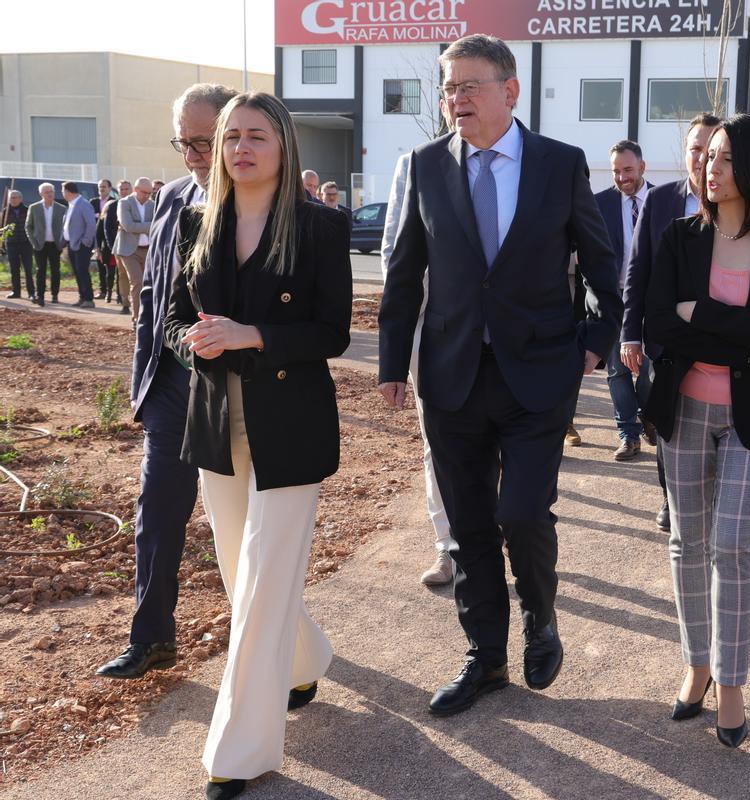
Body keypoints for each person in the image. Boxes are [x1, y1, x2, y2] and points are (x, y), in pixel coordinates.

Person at [377, 33, 620, 716]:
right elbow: (403, 272)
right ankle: (485, 657)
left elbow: (602, 267)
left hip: (539, 372)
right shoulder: (424, 166)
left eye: (469, 86)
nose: (455, 100)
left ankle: (540, 617)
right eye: (448, 88)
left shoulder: (558, 164)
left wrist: (597, 339)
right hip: (451, 376)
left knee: (521, 512)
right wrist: (394, 362)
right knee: (468, 526)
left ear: (509, 91)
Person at [163, 91, 351, 800]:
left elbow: (333, 332)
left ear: (283, 147)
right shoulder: (194, 220)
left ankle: (238, 753)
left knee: (265, 581)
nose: (241, 147)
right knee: (250, 583)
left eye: (257, 136)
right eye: (231, 136)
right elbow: (178, 317)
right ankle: (306, 656)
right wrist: (195, 340)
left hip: (292, 430)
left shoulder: (321, 228)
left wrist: (252, 334)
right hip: (217, 423)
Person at [644, 113, 750, 749]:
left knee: (733, 543)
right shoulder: (679, 237)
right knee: (689, 543)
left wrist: (705, 316)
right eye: (710, 157)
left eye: (728, 159)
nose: (712, 170)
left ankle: (732, 685)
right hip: (683, 408)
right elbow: (663, 324)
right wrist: (743, 329)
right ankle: (697, 667)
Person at [96, 83, 240, 682]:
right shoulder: (172, 198)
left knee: (249, 528)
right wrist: (144, 381)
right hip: (172, 391)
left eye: (205, 142)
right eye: (183, 143)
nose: (193, 157)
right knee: (156, 513)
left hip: (241, 392)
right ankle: (152, 636)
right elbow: (152, 297)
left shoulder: (264, 204)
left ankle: (277, 646)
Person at [621, 112, 720, 531]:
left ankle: (712, 501)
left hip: (719, 339)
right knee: (667, 423)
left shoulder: (740, 204)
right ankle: (670, 497)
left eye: (712, 150)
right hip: (665, 340)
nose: (702, 158)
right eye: (695, 148)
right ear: (686, 152)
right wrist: (630, 334)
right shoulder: (661, 201)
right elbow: (638, 268)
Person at [379, 151, 454, 586]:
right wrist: (399, 343)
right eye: (451, 90)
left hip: (502, 335)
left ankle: (498, 533)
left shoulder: (522, 161)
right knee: (438, 444)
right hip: (432, 331)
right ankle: (448, 547)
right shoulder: (414, 165)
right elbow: (395, 251)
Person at [594, 139, 653, 461]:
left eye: (628, 170)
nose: (621, 177)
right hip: (614, 298)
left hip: (654, 298)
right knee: (617, 370)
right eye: (616, 171)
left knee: (651, 368)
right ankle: (628, 435)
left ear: (642, 167)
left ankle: (647, 413)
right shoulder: (599, 203)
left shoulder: (663, 200)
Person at [115, 177, 156, 323]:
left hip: (149, 250)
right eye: (144, 192)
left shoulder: (153, 204)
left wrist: (140, 225)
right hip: (129, 250)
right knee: (137, 281)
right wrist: (150, 226)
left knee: (150, 283)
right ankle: (138, 319)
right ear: (136, 190)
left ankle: (149, 317)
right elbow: (128, 226)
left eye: (150, 193)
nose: (147, 195)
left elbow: (159, 225)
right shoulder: (124, 203)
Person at [25, 182, 65, 306]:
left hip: (55, 245)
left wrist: (63, 243)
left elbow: (66, 227)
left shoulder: (61, 208)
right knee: (40, 270)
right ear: (41, 193)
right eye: (46, 192)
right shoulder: (34, 207)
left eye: (51, 191)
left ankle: (54, 295)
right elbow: (28, 226)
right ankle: (40, 295)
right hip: (39, 244)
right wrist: (33, 242)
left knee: (55, 270)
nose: (49, 194)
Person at [61, 181, 97, 308]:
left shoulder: (83, 204)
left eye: (63, 191)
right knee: (77, 271)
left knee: (82, 271)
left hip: (81, 245)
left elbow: (91, 225)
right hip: (72, 244)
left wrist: (85, 241)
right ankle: (82, 297)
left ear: (68, 192)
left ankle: (88, 299)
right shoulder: (71, 205)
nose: (62, 194)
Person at [101, 180, 133, 310]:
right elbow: (107, 228)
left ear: (131, 190)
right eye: (121, 189)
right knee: (122, 274)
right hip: (119, 246)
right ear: (118, 191)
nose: (124, 191)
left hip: (137, 246)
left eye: (126, 189)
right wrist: (111, 245)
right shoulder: (113, 206)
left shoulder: (136, 204)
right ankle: (123, 300)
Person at [2, 190, 33, 300]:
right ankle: (16, 292)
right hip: (11, 244)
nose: (13, 200)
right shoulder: (6, 212)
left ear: (21, 199)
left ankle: (31, 293)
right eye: (11, 198)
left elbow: (32, 226)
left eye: (15, 197)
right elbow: (2, 228)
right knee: (14, 269)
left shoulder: (28, 210)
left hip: (26, 243)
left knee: (28, 269)